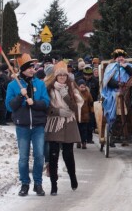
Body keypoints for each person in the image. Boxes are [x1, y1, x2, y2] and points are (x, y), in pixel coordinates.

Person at [6, 53, 50, 196]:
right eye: (30, 67)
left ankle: (38, 183)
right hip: (23, 126)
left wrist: (34, 103)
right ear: (23, 69)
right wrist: (20, 96)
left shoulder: (40, 84)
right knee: (23, 158)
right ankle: (25, 184)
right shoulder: (13, 85)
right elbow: (9, 106)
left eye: (33, 67)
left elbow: (46, 103)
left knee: (39, 155)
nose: (33, 70)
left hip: (38, 126)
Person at [44, 62, 83, 195]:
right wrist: (58, 112)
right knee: (53, 155)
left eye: (64, 75)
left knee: (68, 154)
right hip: (54, 123)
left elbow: (75, 107)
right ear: (55, 76)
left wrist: (65, 95)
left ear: (67, 76)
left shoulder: (72, 88)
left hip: (69, 123)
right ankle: (53, 186)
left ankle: (73, 178)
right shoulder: (49, 89)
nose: (61, 77)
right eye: (59, 75)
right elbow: (46, 107)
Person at [101, 49, 132, 147]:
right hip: (115, 90)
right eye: (118, 56)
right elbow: (108, 81)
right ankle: (113, 127)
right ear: (115, 58)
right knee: (116, 97)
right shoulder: (110, 67)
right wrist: (118, 84)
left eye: (122, 56)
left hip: (129, 90)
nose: (120, 58)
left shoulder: (130, 66)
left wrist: (126, 67)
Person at [76, 78, 94, 149]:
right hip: (77, 114)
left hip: (85, 115)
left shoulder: (88, 93)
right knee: (78, 129)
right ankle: (78, 141)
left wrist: (91, 111)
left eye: (83, 87)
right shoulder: (76, 93)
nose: (82, 88)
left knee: (84, 130)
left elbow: (91, 102)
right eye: (81, 87)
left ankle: (84, 142)